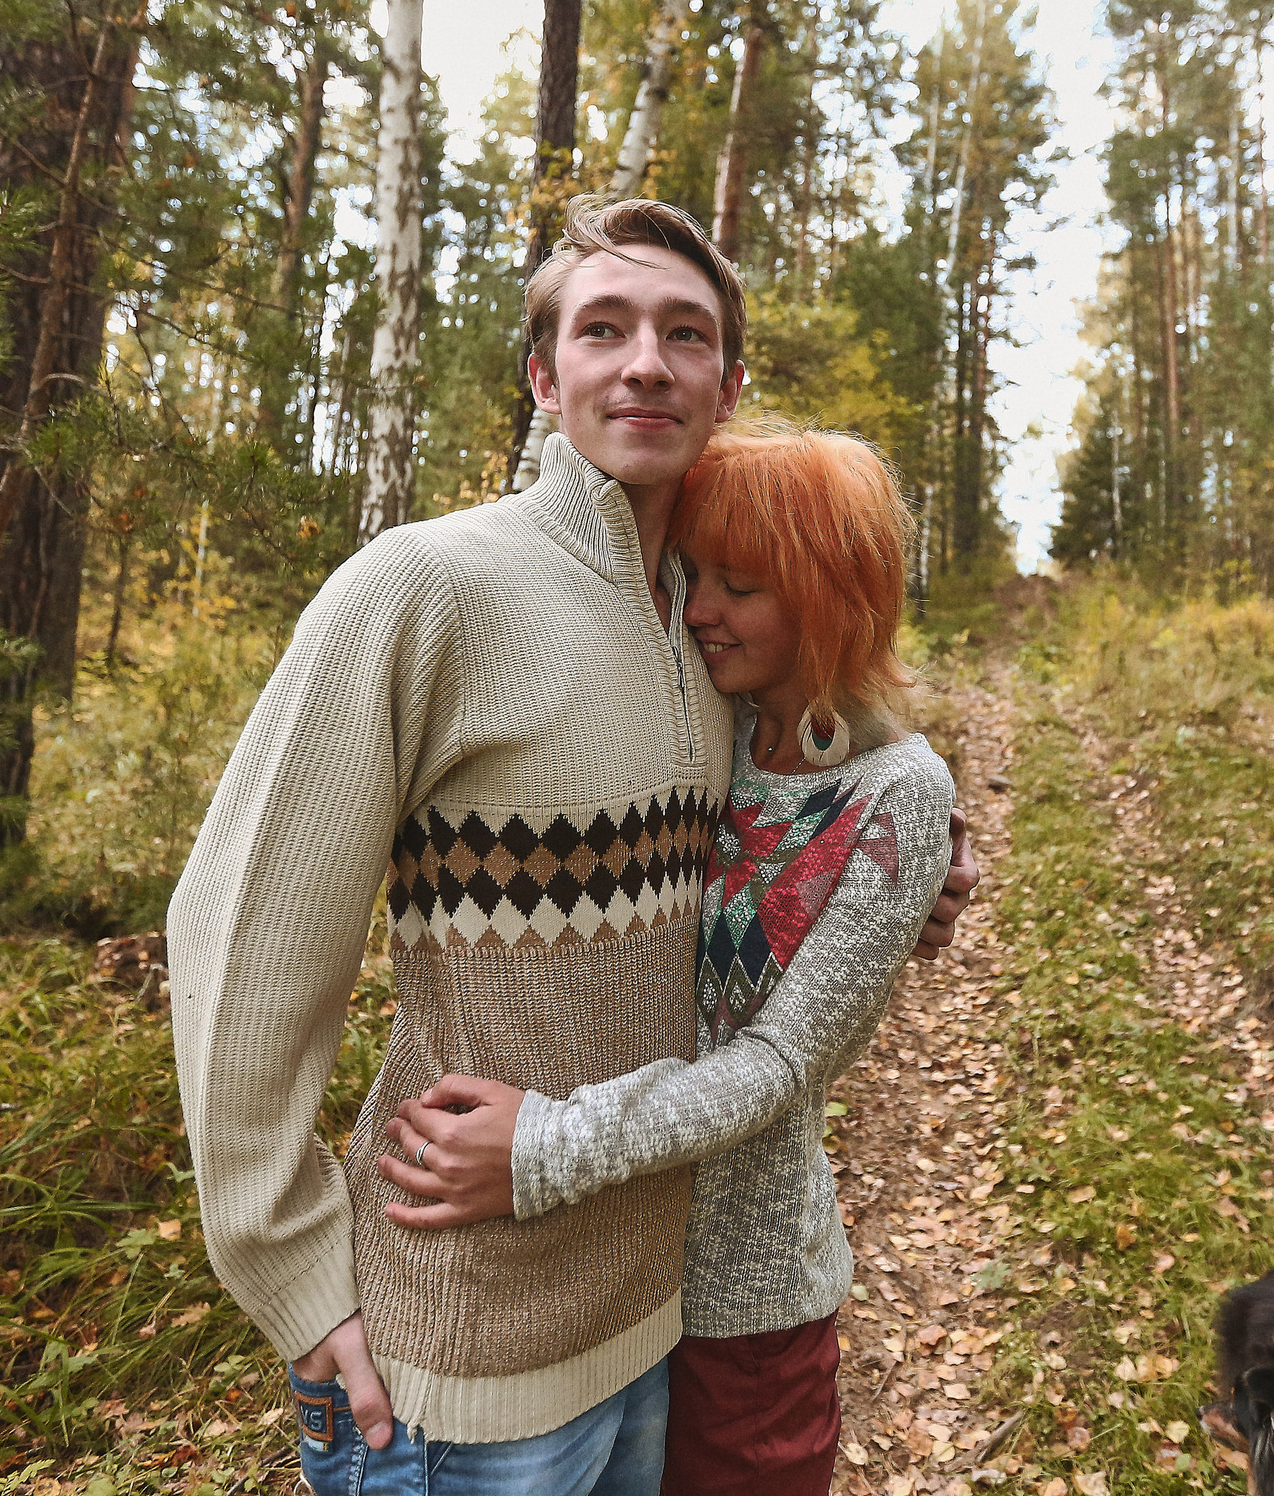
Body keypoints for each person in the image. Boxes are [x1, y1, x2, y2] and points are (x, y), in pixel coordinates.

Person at [164, 197, 975, 1496]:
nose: (646, 358)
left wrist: (916, 855)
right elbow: (240, 936)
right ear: (546, 376)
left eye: (685, 332)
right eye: (605, 327)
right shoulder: (423, 587)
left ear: (728, 382)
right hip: (461, 1362)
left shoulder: (707, 635)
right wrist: (295, 1280)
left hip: (656, 1330)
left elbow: (811, 799)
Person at [368, 422, 956, 1496]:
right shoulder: (712, 725)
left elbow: (777, 1069)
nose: (699, 612)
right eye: (695, 577)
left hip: (743, 1306)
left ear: (831, 597)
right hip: (600, 1291)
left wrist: (544, 1148)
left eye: (741, 587)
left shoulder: (899, 797)